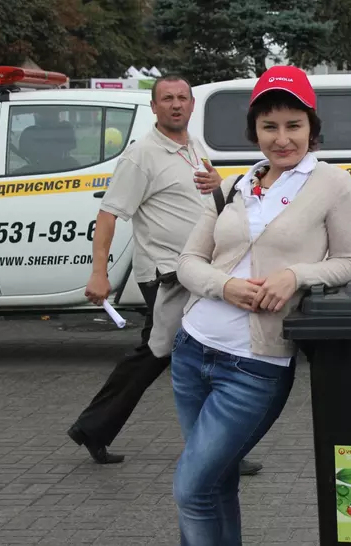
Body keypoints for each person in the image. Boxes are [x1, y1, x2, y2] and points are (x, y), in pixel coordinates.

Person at [170, 65, 351, 545]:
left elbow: (348, 262)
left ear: (312, 127)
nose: (282, 138)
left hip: (254, 367)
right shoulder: (236, 184)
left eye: (294, 125)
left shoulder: (333, 185)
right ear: (254, 130)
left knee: (191, 489)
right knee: (216, 483)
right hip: (191, 351)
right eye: (269, 126)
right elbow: (188, 262)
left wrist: (295, 275)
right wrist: (224, 287)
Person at [68, 74, 264, 477]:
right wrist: (99, 274)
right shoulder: (141, 155)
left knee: (156, 353)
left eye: (182, 98)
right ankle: (220, 450)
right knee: (201, 353)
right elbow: (108, 215)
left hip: (197, 269)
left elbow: (205, 201)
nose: (176, 104)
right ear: (154, 107)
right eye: (167, 99)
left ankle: (93, 428)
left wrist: (219, 185)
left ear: (192, 104)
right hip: (168, 275)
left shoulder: (193, 146)